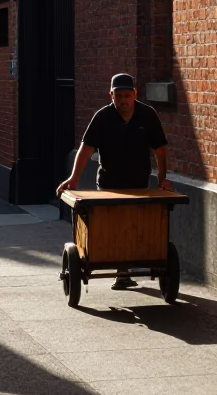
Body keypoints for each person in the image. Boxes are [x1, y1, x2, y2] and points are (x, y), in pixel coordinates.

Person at [56, 73, 172, 289]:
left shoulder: (147, 115)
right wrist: (73, 179)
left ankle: (125, 269)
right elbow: (86, 150)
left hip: (139, 184)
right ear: (111, 95)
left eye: (127, 95)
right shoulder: (102, 117)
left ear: (135, 94)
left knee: (135, 225)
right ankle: (122, 272)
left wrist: (162, 178)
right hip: (109, 183)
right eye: (118, 96)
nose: (123, 101)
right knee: (115, 225)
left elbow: (160, 150)